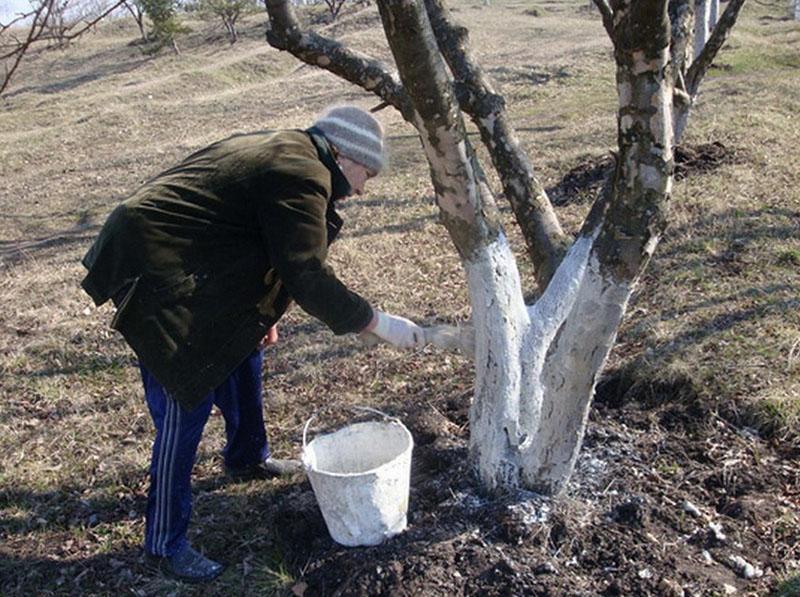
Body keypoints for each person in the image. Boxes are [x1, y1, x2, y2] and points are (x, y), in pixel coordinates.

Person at [80, 105, 426, 582]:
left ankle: (247, 457)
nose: (362, 189)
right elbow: (304, 270)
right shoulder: (300, 171)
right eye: (366, 173)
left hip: (190, 258)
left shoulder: (295, 153)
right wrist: (376, 323)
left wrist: (260, 312)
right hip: (154, 264)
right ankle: (163, 544)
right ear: (344, 155)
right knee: (187, 394)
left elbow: (257, 237)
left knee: (243, 349)